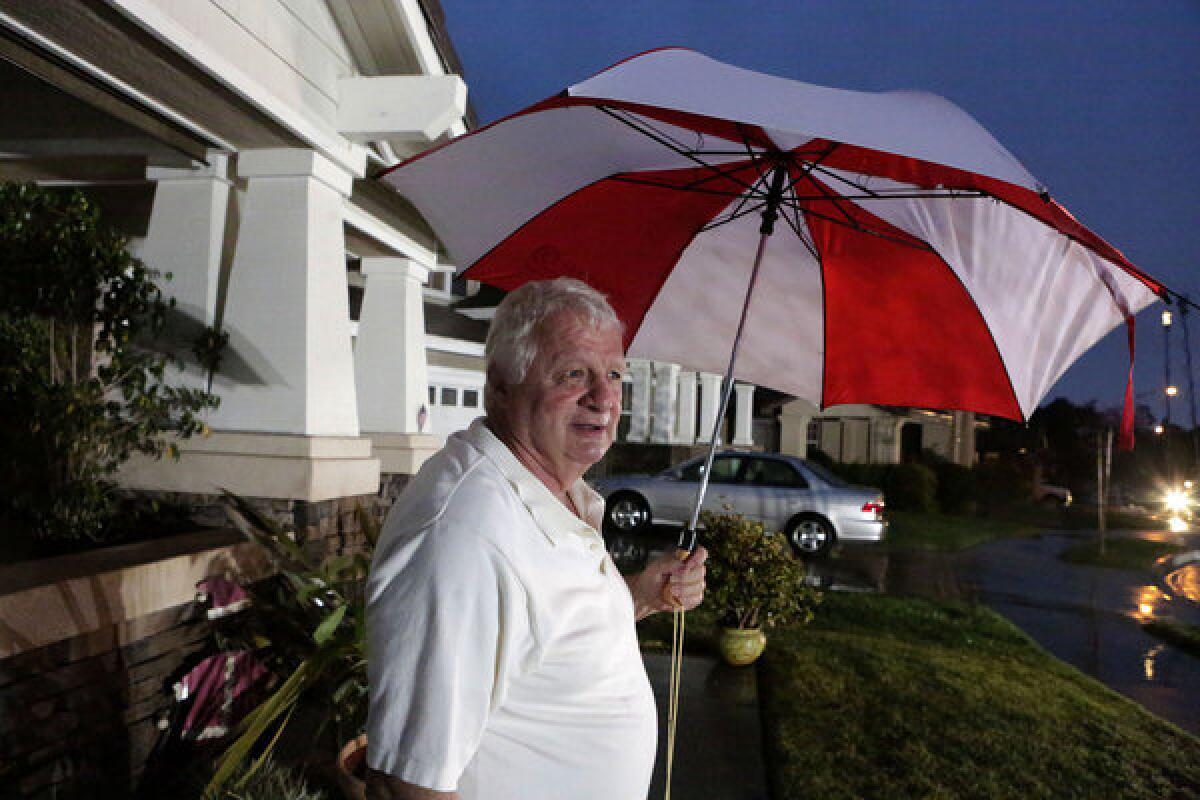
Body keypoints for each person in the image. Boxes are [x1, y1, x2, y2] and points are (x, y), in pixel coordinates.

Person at [365, 278, 707, 800]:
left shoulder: (556, 495)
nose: (604, 397)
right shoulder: (465, 536)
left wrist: (638, 596)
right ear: (500, 386)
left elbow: (543, 632)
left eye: (614, 374)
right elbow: (407, 781)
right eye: (574, 373)